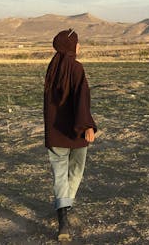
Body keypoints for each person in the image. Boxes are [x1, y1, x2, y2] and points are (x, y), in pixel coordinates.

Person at [43, 29, 97, 241]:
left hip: (56, 133)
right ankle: (65, 209)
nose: (79, 46)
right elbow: (82, 100)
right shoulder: (76, 68)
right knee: (76, 171)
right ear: (70, 46)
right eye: (77, 43)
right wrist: (87, 126)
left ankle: (62, 213)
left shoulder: (52, 68)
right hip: (77, 132)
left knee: (59, 173)